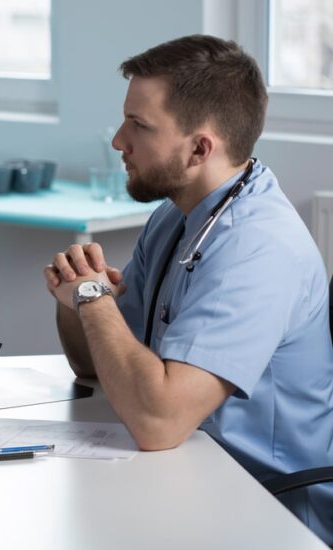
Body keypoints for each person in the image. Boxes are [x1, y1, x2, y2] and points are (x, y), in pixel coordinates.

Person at [43, 34, 333, 543]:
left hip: (265, 508)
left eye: (139, 125)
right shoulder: (177, 217)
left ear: (200, 148)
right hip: (185, 476)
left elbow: (158, 421)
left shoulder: (257, 248)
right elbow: (98, 367)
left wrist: (95, 300)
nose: (118, 140)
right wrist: (79, 300)